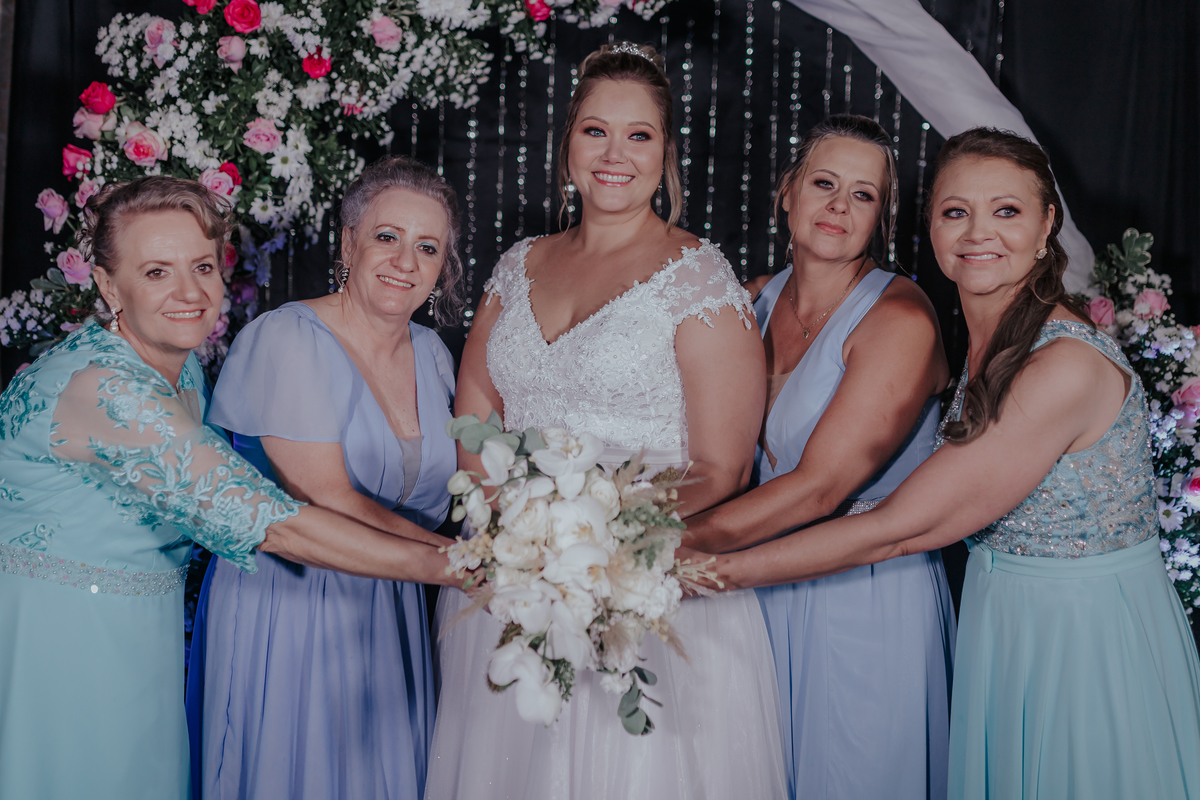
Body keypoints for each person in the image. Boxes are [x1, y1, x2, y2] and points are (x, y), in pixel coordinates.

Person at [688, 128, 1200, 798]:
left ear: (1047, 224)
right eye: (957, 211)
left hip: (1083, 641)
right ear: (929, 225)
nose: (978, 232)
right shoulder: (994, 340)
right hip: (1003, 622)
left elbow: (900, 527)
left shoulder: (1062, 365)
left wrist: (697, 572)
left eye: (1007, 211)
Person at [0, 176, 466, 800]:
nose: (189, 293)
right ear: (109, 286)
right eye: (157, 272)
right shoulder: (107, 389)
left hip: (144, 631)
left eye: (201, 267)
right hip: (64, 641)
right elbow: (272, 521)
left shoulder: (179, 365)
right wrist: (461, 568)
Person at [425, 43, 787, 799]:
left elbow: (722, 467)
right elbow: (477, 408)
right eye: (595, 131)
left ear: (666, 154)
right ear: (568, 145)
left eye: (639, 135)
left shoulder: (698, 279)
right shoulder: (518, 263)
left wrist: (593, 540)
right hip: (510, 581)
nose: (614, 155)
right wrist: (509, 537)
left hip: (643, 587)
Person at [683, 114, 955, 800]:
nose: (839, 206)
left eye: (863, 195)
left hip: (859, 593)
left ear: (881, 219)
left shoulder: (901, 321)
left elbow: (820, 488)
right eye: (824, 183)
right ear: (787, 191)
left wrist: (657, 547)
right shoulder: (747, 301)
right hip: (751, 588)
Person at [187, 157, 462, 800]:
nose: (405, 261)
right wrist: (469, 564)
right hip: (293, 604)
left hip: (392, 604)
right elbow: (328, 497)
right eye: (387, 237)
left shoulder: (433, 354)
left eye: (427, 247)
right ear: (348, 243)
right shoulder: (289, 337)